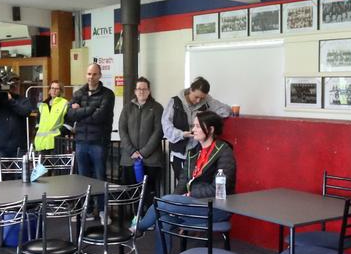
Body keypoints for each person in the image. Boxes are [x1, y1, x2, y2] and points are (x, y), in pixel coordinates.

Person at [135, 111, 236, 254]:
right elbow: (182, 182)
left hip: (216, 207)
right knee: (163, 218)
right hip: (192, 206)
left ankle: (139, 228)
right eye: (194, 126)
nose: (193, 129)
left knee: (162, 203)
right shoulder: (193, 152)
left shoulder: (224, 151)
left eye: (197, 126)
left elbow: (220, 189)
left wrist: (189, 195)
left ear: (210, 129)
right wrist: (175, 203)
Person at [162, 77, 231, 188]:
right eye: (196, 97)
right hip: (179, 153)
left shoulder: (207, 101)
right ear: (190, 90)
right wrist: (181, 134)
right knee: (183, 185)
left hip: (198, 152)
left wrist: (209, 112)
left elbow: (226, 111)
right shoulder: (175, 102)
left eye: (202, 97)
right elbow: (166, 125)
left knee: (197, 185)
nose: (199, 100)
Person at [66, 63, 114, 188]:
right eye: (89, 74)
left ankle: (101, 207)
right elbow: (70, 114)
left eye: (94, 74)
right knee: (82, 178)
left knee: (99, 179)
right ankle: (87, 207)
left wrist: (80, 112)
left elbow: (99, 117)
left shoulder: (107, 94)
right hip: (81, 142)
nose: (91, 77)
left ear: (100, 76)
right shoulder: (79, 93)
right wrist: (91, 108)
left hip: (99, 142)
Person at [118, 76, 164, 206]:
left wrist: (143, 153)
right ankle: (135, 218)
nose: (141, 91)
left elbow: (158, 132)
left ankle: (148, 220)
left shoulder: (157, 108)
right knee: (132, 192)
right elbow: (122, 130)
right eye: (139, 89)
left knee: (149, 192)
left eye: (144, 89)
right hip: (130, 158)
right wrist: (132, 151)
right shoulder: (127, 108)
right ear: (135, 91)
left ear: (149, 91)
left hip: (150, 160)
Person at [0, 74, 34, 160]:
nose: (15, 86)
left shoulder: (23, 100)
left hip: (19, 147)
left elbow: (26, 112)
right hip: (0, 148)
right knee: (0, 173)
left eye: (17, 84)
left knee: (20, 173)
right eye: (12, 84)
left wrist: (11, 101)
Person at [33, 79, 68, 153]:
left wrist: (60, 133)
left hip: (56, 143)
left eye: (56, 88)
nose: (54, 91)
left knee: (56, 165)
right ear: (49, 90)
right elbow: (37, 123)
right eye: (52, 88)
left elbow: (69, 123)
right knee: (41, 165)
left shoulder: (64, 103)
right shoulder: (43, 105)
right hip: (41, 144)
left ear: (60, 91)